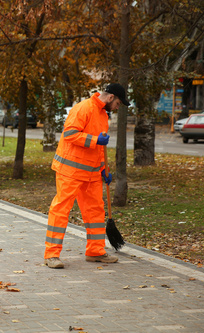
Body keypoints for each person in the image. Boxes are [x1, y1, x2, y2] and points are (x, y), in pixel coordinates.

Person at [44, 83, 130, 269]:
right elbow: (69, 134)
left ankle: (95, 252)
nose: (117, 107)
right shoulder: (84, 108)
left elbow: (100, 150)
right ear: (110, 97)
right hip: (70, 171)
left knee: (96, 212)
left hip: (91, 173)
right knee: (61, 211)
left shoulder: (103, 116)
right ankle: (52, 255)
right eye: (118, 103)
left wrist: (103, 170)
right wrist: (94, 139)